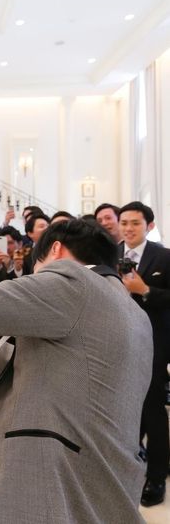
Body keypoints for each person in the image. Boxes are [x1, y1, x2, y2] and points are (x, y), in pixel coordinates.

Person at [0, 219, 152, 524]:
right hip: (102, 476)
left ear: (56, 250)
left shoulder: (72, 283)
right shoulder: (133, 312)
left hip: (50, 477)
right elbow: (44, 369)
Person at [118, 201, 170, 506]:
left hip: (153, 342)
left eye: (135, 223)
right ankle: (127, 466)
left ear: (149, 226)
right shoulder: (109, 254)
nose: (128, 228)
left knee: (152, 408)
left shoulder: (164, 256)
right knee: (121, 407)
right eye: (124, 222)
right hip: (117, 342)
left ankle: (156, 476)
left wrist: (145, 290)